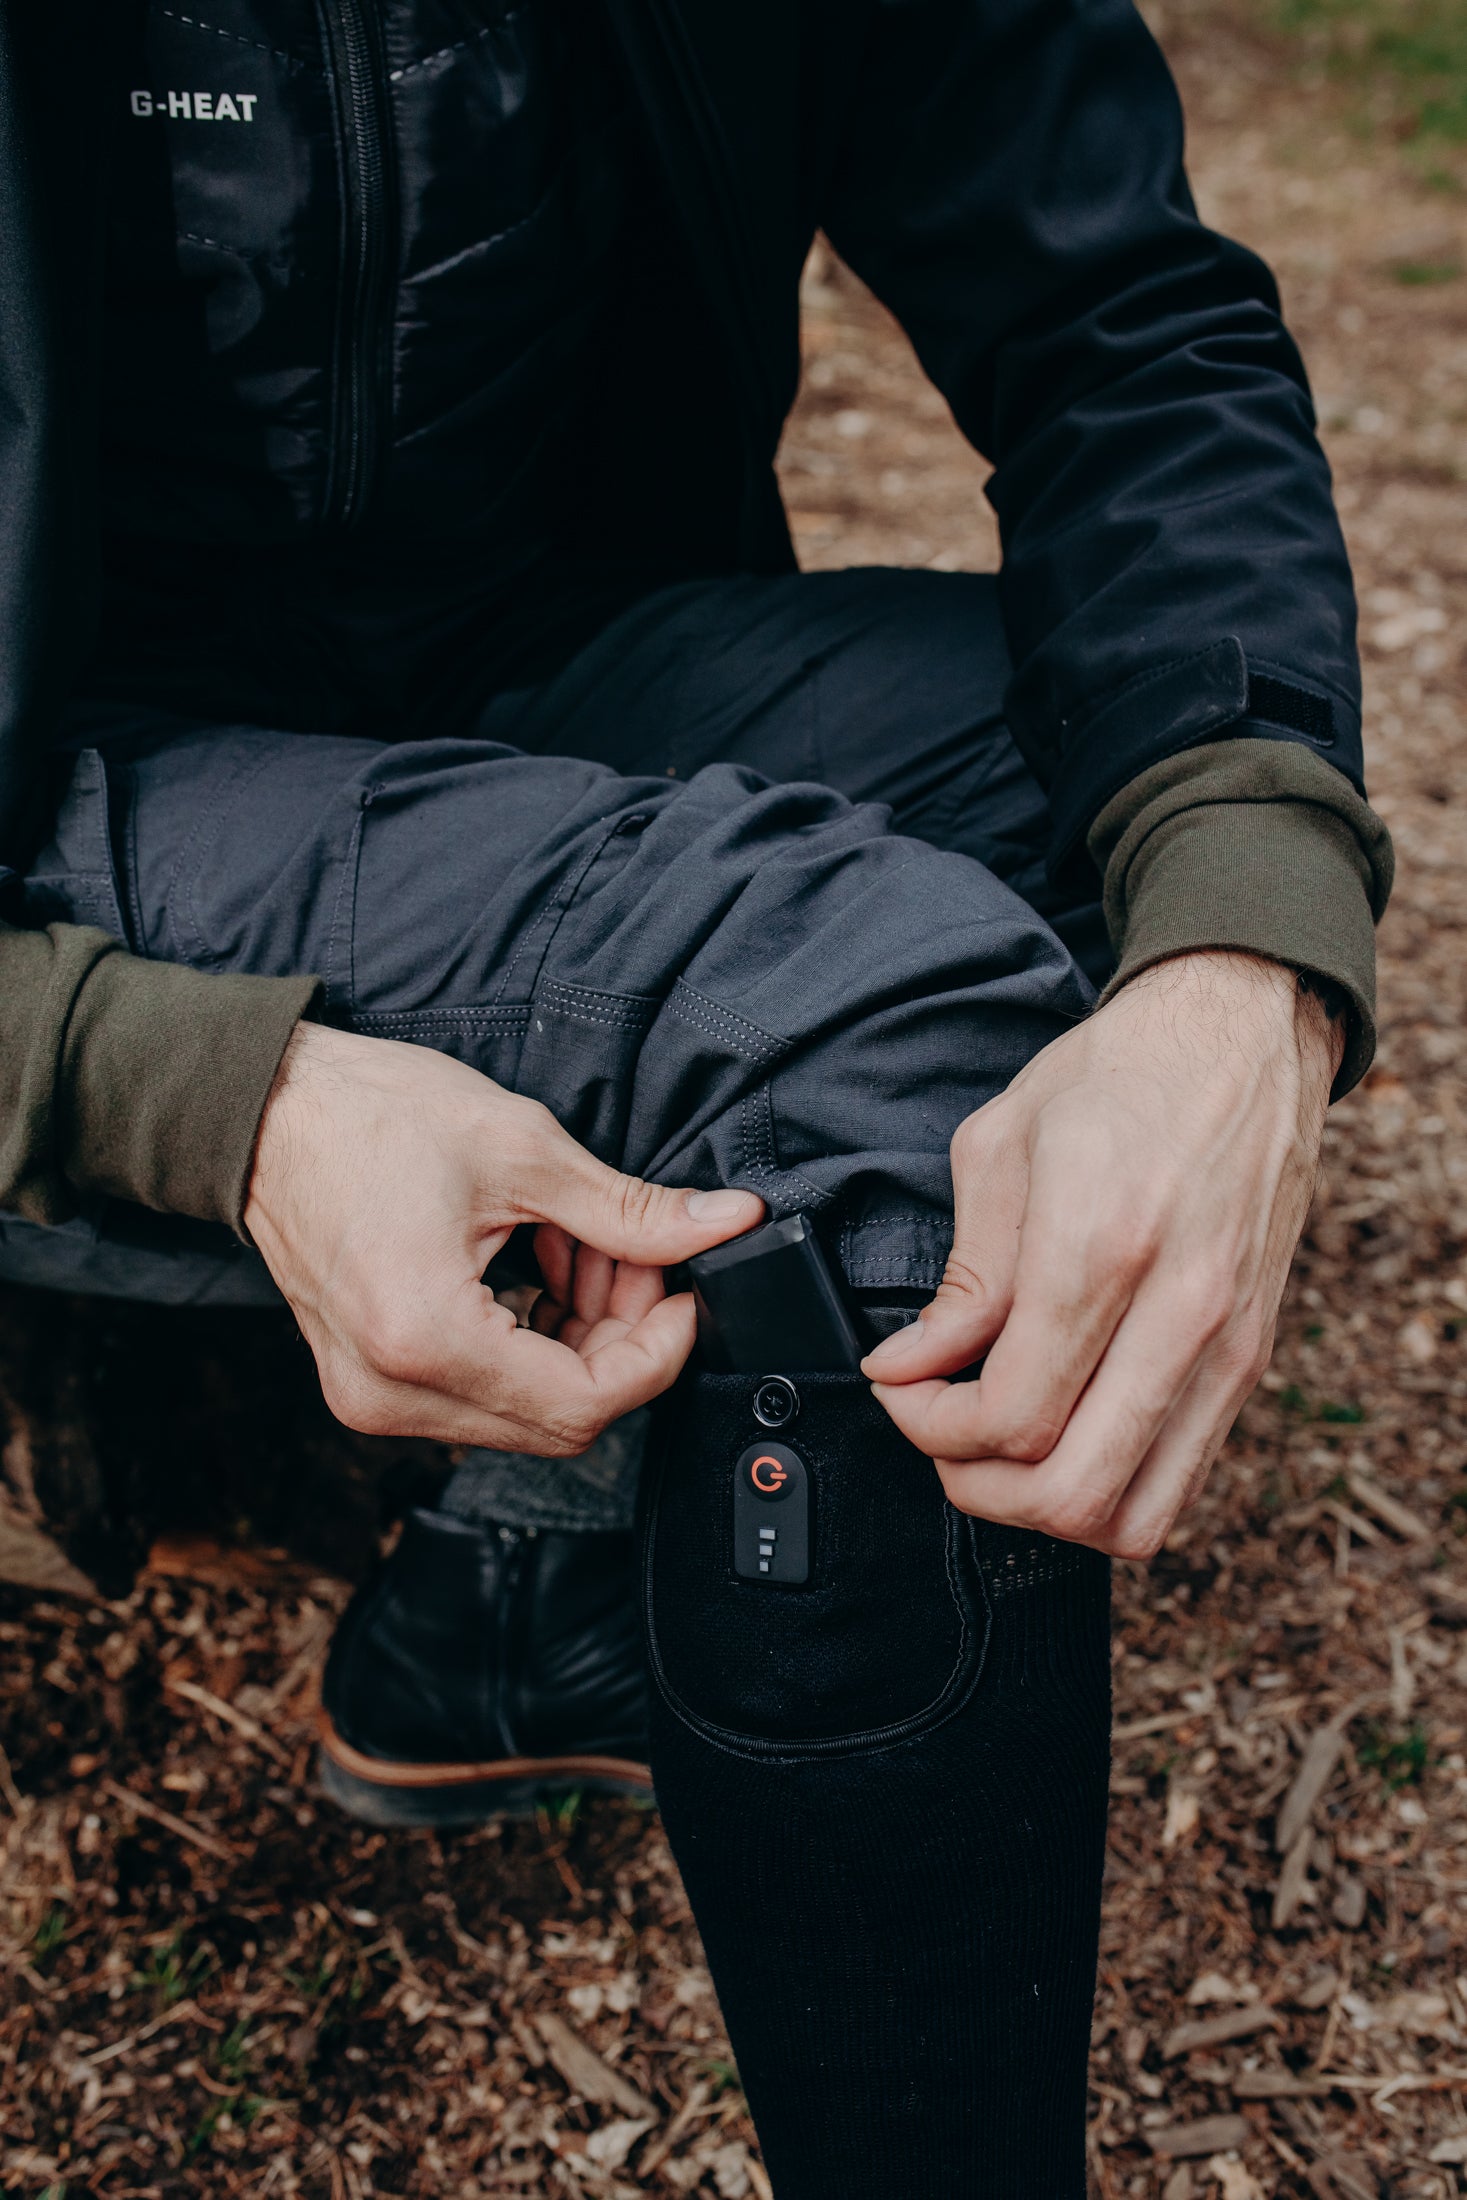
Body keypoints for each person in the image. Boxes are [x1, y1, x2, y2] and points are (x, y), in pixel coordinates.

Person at [0, 2, 1390, 2190]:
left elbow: (1113, 313)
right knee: (871, 1003)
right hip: (60, 787)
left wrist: (1241, 946)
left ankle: (529, 1583)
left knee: (1130, 799)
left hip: (537, 646)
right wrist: (181, 1081)